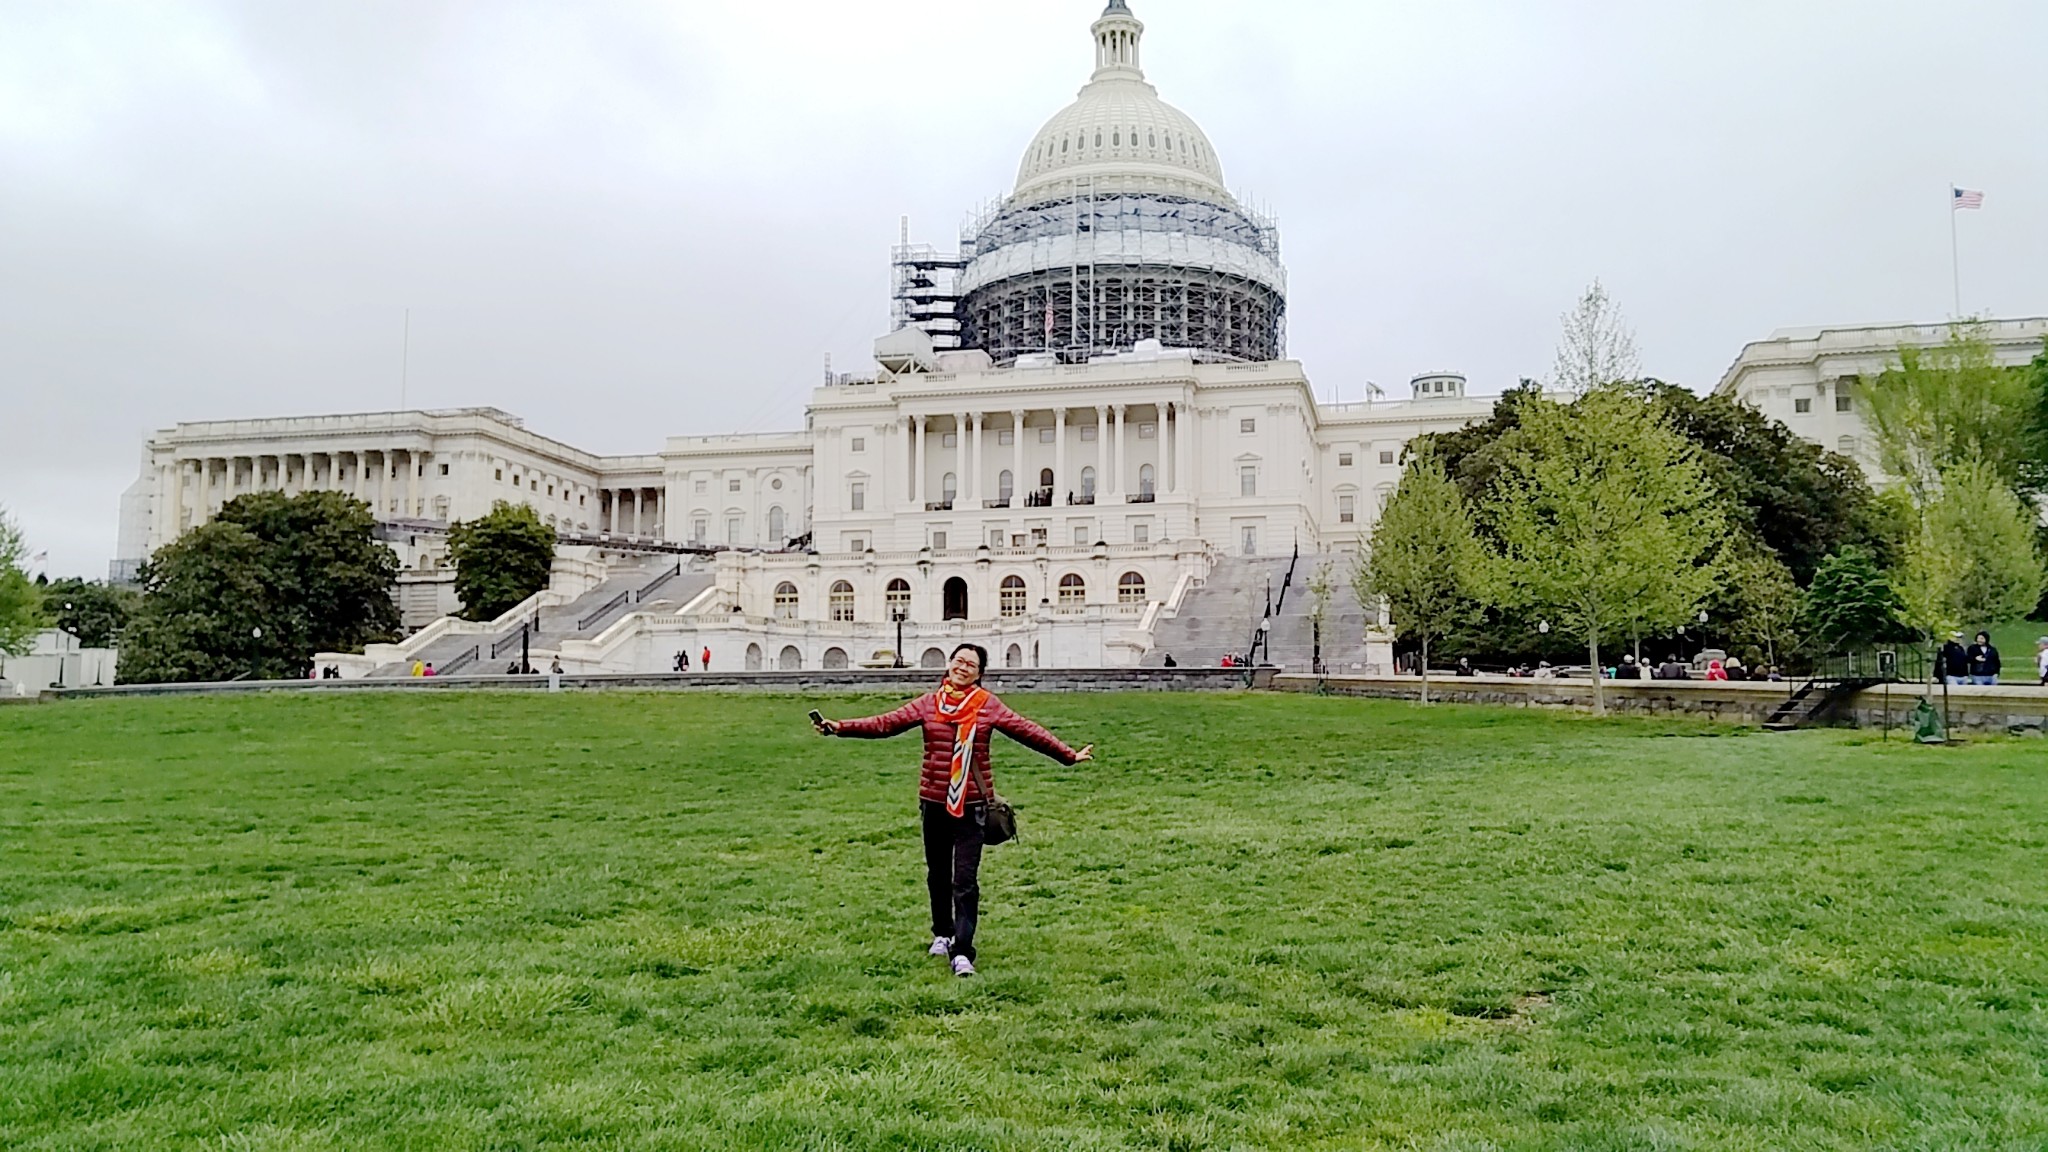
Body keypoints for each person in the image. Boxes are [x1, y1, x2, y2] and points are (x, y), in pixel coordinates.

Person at [814, 643, 1093, 978]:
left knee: (964, 880)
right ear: (949, 664)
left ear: (979, 674)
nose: (962, 667)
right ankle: (942, 934)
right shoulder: (929, 703)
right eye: (958, 660)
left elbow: (1027, 731)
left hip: (971, 805)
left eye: (970, 664)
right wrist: (840, 727)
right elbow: (886, 723)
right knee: (937, 875)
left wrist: (1068, 755)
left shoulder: (987, 706)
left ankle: (963, 950)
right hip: (933, 802)